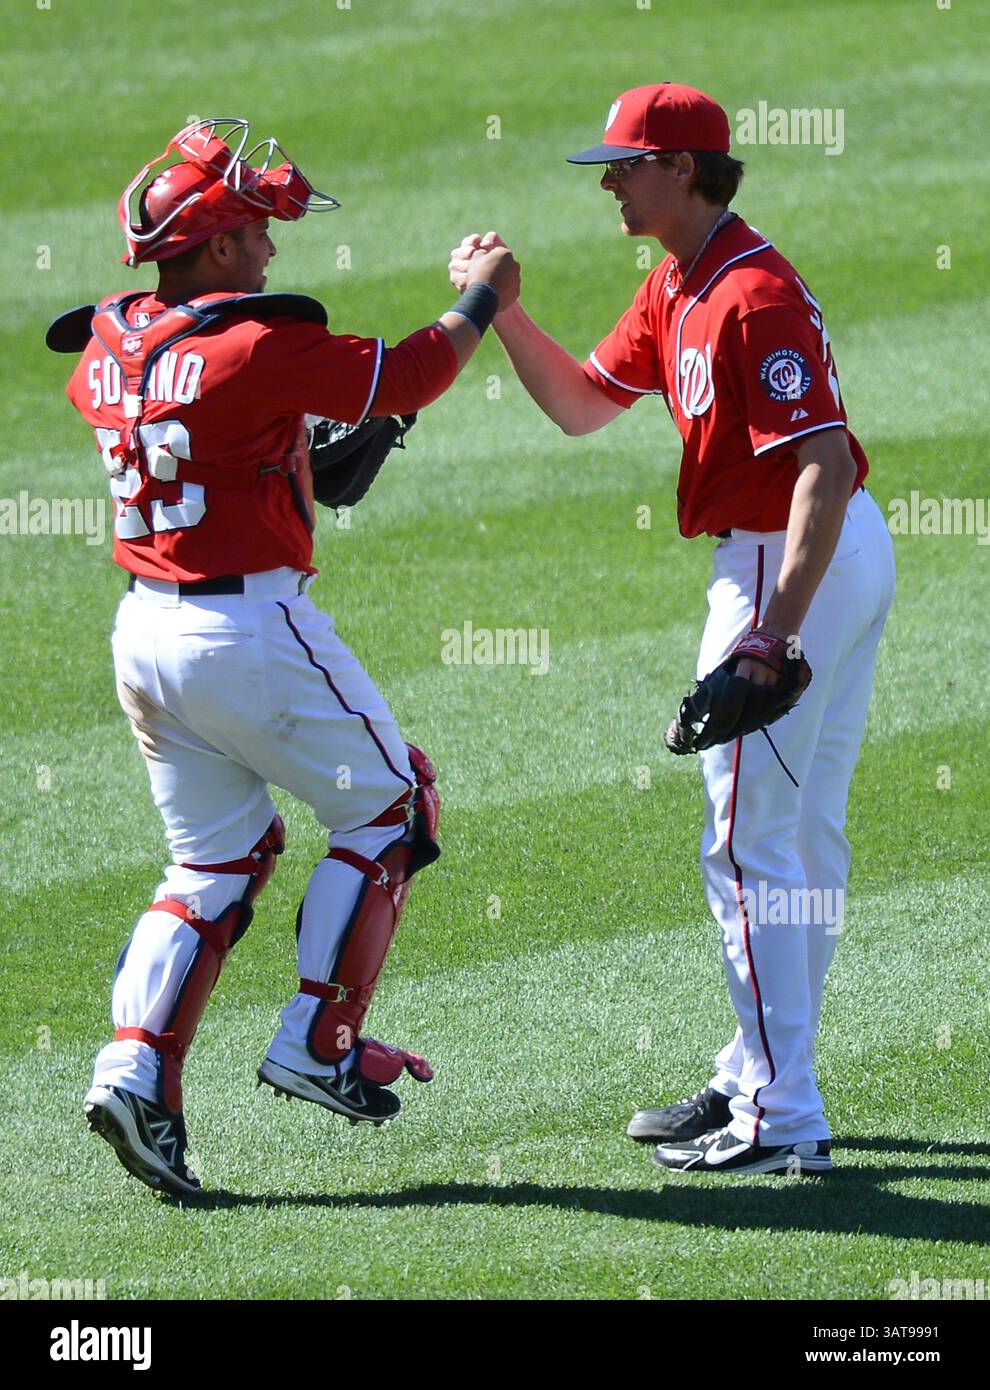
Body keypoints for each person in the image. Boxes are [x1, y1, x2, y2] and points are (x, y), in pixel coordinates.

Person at [50, 118, 519, 1197]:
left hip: (145, 635)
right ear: (213, 247)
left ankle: (134, 1073)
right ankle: (321, 1040)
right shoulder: (258, 346)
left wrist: (283, 454)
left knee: (213, 857)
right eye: (255, 230)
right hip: (247, 629)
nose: (269, 249)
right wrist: (482, 294)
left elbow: (196, 412)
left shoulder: (108, 340)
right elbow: (410, 373)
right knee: (394, 806)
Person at [450, 83, 894, 1176]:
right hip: (807, 555)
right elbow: (582, 405)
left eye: (627, 164)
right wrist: (498, 309)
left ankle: (782, 1115)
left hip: (792, 555)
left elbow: (823, 469)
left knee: (749, 845)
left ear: (685, 169)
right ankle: (758, 1070)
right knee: (799, 838)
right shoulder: (678, 282)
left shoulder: (752, 293)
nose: (609, 180)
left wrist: (769, 637)